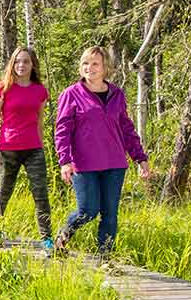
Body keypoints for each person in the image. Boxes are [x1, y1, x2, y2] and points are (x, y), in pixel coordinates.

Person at [53, 46, 150, 259]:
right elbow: (62, 130)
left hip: (114, 164)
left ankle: (105, 258)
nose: (90, 68)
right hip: (83, 164)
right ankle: (62, 238)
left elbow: (126, 128)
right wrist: (65, 161)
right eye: (85, 63)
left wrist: (140, 158)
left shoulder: (117, 94)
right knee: (87, 211)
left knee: (110, 215)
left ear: (105, 67)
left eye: (95, 63)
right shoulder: (71, 94)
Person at [0, 47, 54, 250]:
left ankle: (47, 238)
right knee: (4, 192)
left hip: (34, 149)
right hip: (8, 149)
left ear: (33, 65)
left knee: (40, 193)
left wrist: (41, 146)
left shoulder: (39, 91)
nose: (21, 65)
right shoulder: (2, 88)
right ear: (12, 64)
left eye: (25, 62)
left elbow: (39, 121)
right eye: (17, 62)